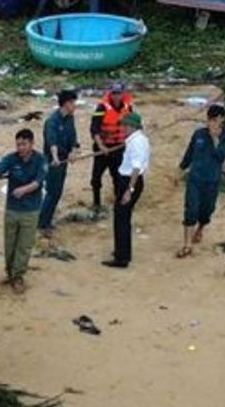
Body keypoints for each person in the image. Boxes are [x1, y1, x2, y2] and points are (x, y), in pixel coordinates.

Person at [0, 128, 46, 293]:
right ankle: (10, 272)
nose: (20, 148)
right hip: (12, 209)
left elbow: (38, 182)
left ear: (31, 144)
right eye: (18, 144)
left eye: (24, 144)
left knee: (24, 245)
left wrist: (23, 190)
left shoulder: (40, 160)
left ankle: (18, 275)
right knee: (10, 243)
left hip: (30, 210)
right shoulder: (12, 159)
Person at [176, 105, 225, 258]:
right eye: (210, 120)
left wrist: (215, 139)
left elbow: (221, 156)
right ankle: (187, 244)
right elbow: (189, 154)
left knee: (207, 210)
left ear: (222, 120)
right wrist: (180, 171)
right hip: (195, 179)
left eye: (216, 120)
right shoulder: (198, 134)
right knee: (191, 209)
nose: (212, 123)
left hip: (212, 180)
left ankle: (200, 228)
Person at [103, 111, 150, 269]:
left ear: (131, 126)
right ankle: (121, 251)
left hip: (129, 181)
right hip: (132, 181)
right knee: (123, 217)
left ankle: (122, 257)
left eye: (124, 125)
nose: (122, 127)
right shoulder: (140, 139)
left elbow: (136, 167)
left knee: (121, 219)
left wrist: (129, 189)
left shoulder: (136, 142)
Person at [39, 88, 80, 236]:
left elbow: (73, 138)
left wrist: (74, 151)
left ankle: (47, 220)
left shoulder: (70, 118)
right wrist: (55, 158)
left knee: (58, 192)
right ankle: (42, 223)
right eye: (73, 102)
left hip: (63, 159)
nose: (75, 105)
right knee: (52, 192)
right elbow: (52, 143)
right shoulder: (52, 121)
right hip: (53, 160)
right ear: (65, 104)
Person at [89, 82, 134, 212]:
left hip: (118, 148)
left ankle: (118, 201)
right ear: (110, 93)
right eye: (114, 93)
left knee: (118, 176)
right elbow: (94, 129)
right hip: (102, 148)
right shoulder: (101, 108)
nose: (116, 96)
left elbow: (131, 127)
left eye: (118, 93)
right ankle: (96, 203)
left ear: (123, 94)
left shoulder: (128, 108)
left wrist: (129, 141)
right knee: (96, 177)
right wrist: (101, 146)